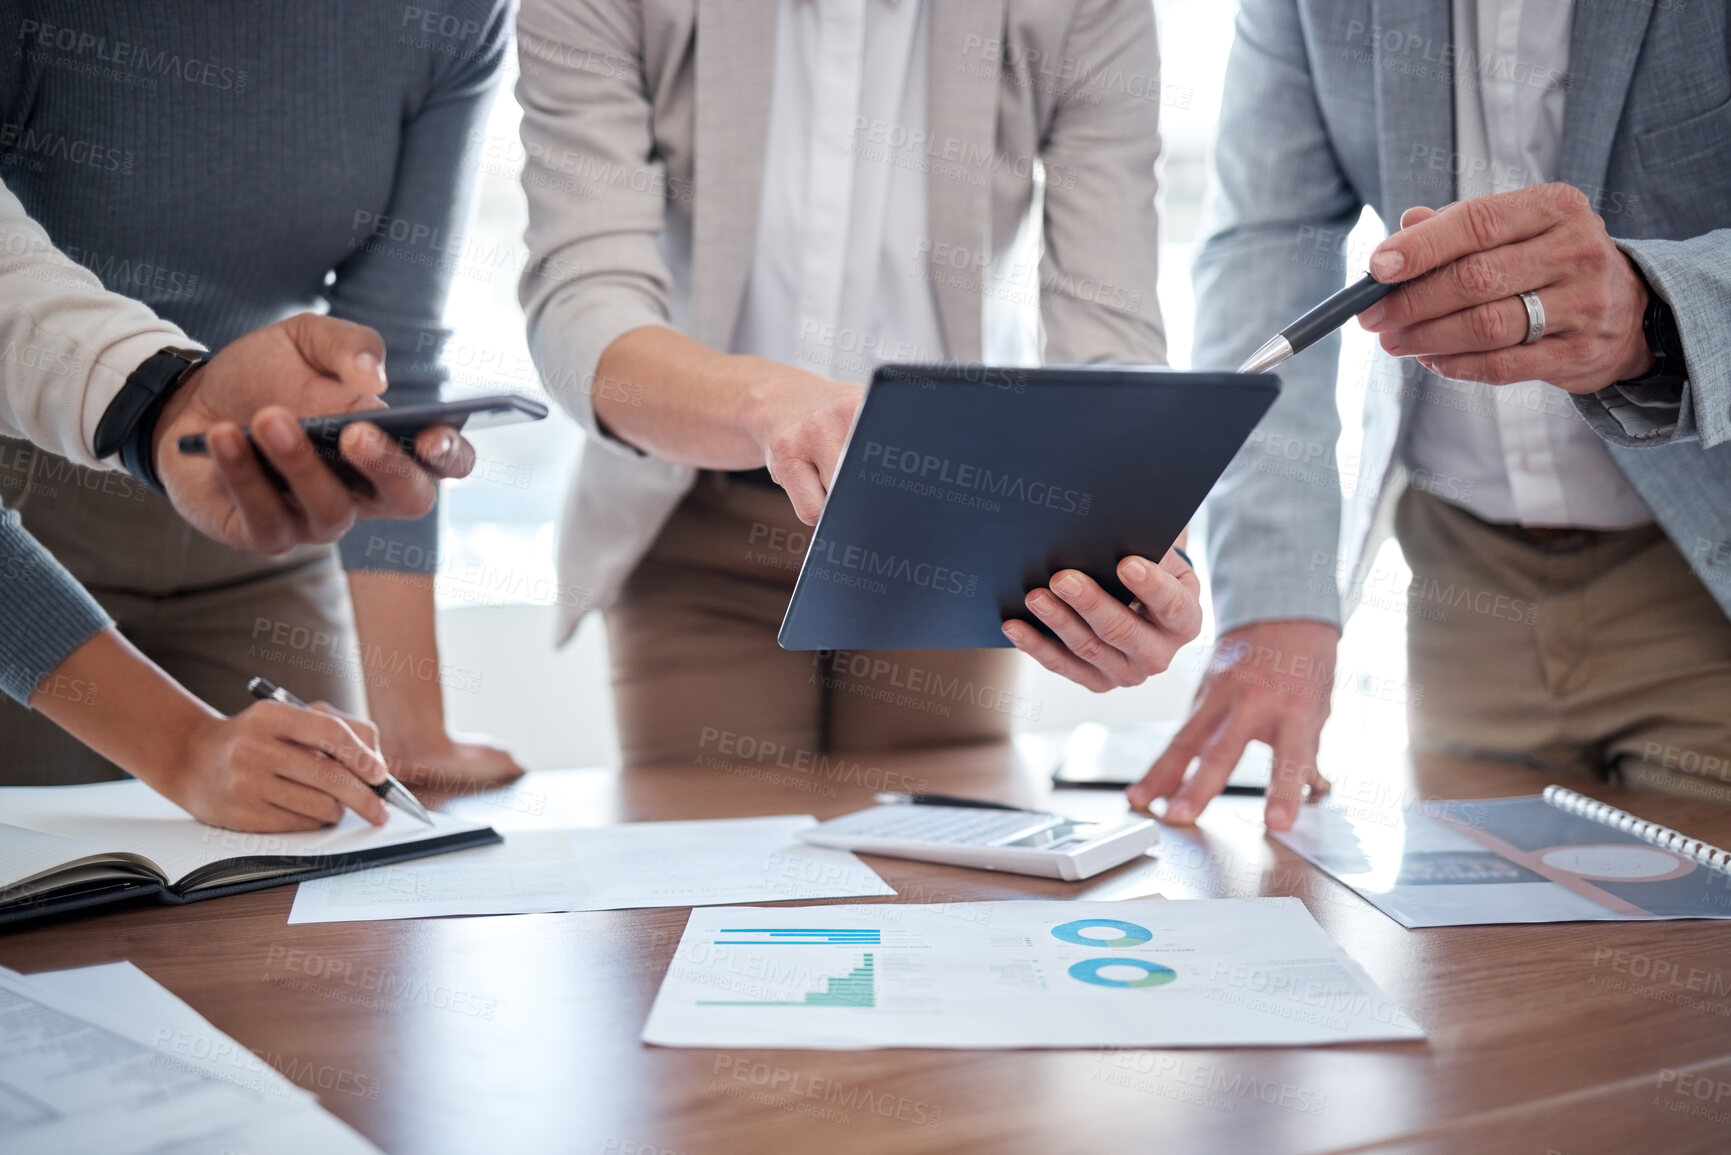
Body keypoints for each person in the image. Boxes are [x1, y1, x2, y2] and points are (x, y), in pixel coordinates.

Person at [1034, 1, 1731, 826]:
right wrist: (1274, 598)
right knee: (1478, 942)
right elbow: (1266, 241)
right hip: (1465, 584)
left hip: (1701, 570)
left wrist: (1652, 312)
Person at [517, 0, 1201, 766]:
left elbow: (1106, 329)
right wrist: (762, 404)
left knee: (938, 860)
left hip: (955, 520)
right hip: (695, 516)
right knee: (708, 853)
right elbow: (580, 304)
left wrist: (1138, 532)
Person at [0, 1, 523, 789]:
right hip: (31, 519)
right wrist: (162, 397)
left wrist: (412, 730)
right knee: (58, 887)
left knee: (316, 847)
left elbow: (391, 361)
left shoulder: (454, 16)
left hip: (267, 509)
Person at [0, 183, 472, 829]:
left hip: (265, 510)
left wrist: (167, 399)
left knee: (313, 824)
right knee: (50, 870)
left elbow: (400, 336)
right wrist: (185, 748)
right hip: (36, 523)